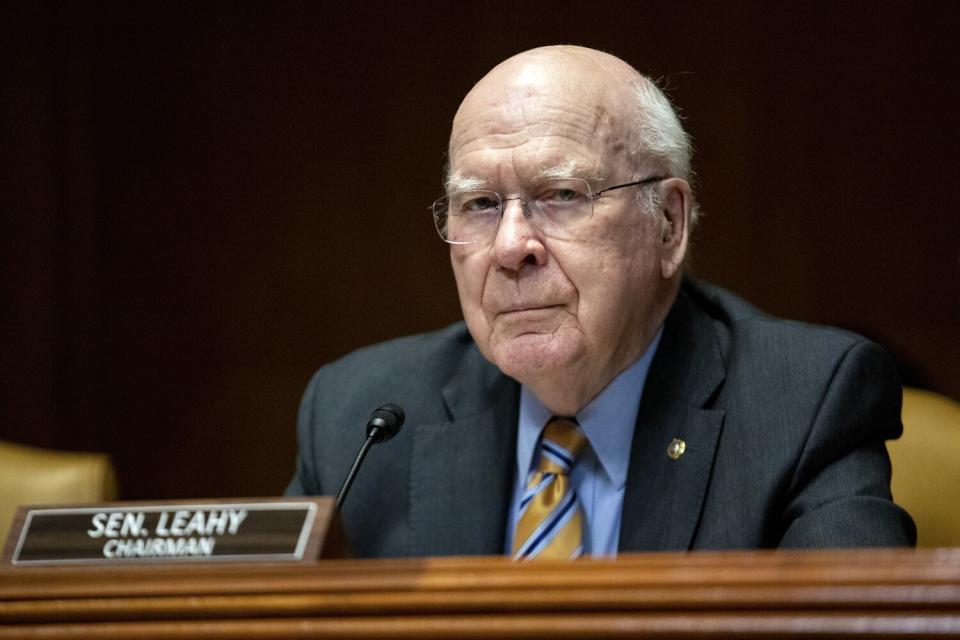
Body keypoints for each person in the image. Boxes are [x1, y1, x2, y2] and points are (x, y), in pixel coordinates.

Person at [286, 45, 915, 558]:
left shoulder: (803, 405)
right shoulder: (357, 420)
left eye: (560, 194)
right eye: (479, 204)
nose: (510, 247)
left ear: (668, 224)